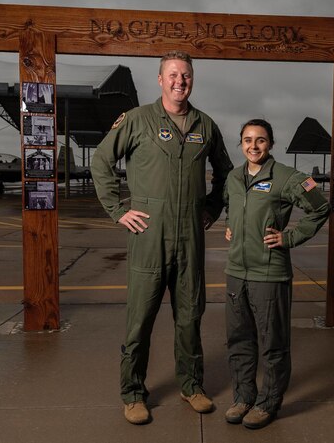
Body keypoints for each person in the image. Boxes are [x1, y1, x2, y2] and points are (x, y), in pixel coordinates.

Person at [91, 51, 233, 425]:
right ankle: (133, 392)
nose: (179, 81)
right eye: (172, 75)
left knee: (190, 315)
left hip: (190, 233)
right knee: (141, 318)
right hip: (149, 232)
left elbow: (225, 172)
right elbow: (101, 160)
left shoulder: (206, 124)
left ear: (192, 80)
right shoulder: (137, 120)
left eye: (185, 75)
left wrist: (213, 208)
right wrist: (118, 210)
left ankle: (191, 385)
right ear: (160, 79)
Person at [223, 119, 330, 429]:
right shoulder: (234, 176)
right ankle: (244, 397)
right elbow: (233, 205)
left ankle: (268, 403)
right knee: (239, 340)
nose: (253, 146)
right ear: (241, 143)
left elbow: (320, 208)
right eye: (247, 140)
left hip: (269, 274)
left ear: (270, 143)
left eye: (260, 140)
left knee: (273, 343)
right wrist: (232, 224)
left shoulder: (287, 178)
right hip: (236, 273)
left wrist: (289, 237)